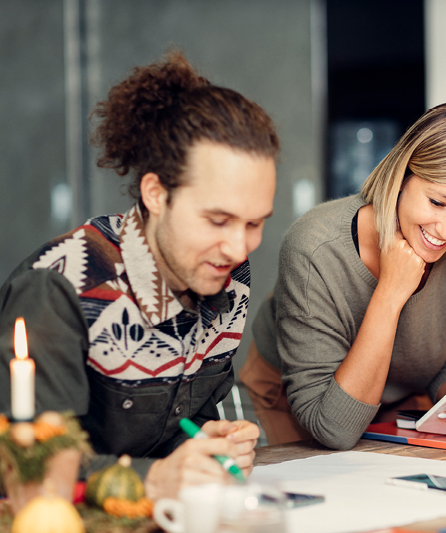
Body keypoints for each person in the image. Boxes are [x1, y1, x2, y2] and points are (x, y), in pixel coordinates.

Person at [0, 51, 279, 499]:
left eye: (254, 223)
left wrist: (222, 443)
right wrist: (155, 480)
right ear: (156, 194)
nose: (238, 247)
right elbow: (28, 471)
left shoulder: (227, 273)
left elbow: (204, 416)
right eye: (218, 220)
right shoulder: (61, 287)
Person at [241, 102, 446, 449]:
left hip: (396, 404)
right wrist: (391, 291)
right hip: (289, 406)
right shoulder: (315, 247)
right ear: (402, 176)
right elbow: (333, 427)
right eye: (437, 202)